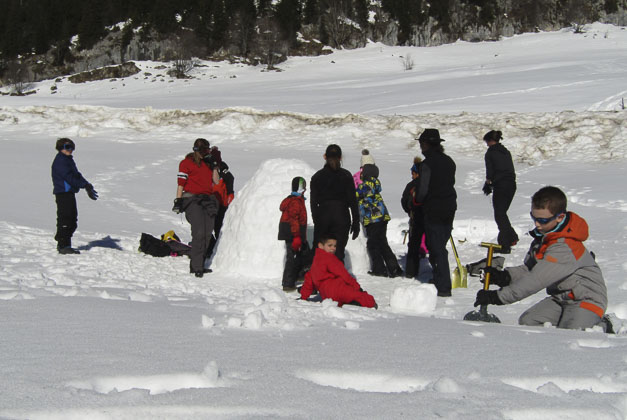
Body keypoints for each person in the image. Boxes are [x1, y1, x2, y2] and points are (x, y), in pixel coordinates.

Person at [474, 186, 608, 331]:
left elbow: (536, 279)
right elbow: (530, 269)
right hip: (561, 298)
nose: (537, 224)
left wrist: (498, 297)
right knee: (529, 321)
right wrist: (505, 276)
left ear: (560, 217)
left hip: (587, 300)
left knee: (571, 335)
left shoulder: (564, 247)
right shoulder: (544, 238)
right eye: (534, 218)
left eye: (543, 220)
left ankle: (604, 326)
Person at [172, 138, 226, 278]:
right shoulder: (186, 163)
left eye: (207, 150)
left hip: (208, 200)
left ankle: (200, 264)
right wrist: (178, 200)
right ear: (196, 150)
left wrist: (214, 166)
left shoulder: (208, 164)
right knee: (199, 232)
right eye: (202, 151)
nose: (204, 153)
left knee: (208, 233)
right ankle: (196, 266)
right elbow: (181, 184)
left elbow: (215, 181)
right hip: (191, 199)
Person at [414, 129, 457, 297]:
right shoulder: (449, 161)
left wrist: (417, 200)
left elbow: (423, 190)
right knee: (440, 243)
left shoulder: (427, 164)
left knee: (436, 247)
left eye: (421, 144)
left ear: (426, 144)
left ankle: (444, 285)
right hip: (449, 206)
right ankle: (440, 278)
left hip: (434, 208)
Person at [310, 144, 360, 263]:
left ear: (324, 157)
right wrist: (356, 221)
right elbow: (353, 201)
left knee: (320, 253)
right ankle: (337, 279)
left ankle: (321, 279)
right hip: (342, 217)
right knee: (338, 253)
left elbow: (313, 202)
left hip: (323, 215)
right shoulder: (346, 175)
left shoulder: (317, 177)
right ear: (341, 157)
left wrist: (316, 219)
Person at [300, 233, 377, 308]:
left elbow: (309, 280)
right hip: (337, 289)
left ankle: (348, 302)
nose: (333, 248)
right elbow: (344, 274)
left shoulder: (315, 262)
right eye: (330, 245)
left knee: (346, 297)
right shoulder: (330, 258)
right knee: (365, 298)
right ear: (320, 246)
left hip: (326, 295)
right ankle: (362, 303)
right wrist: (357, 287)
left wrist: (303, 296)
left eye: (335, 246)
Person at [51, 138, 98, 254]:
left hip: (69, 193)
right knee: (66, 219)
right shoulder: (60, 161)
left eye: (72, 147)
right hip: (63, 193)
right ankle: (63, 245)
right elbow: (69, 178)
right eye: (67, 147)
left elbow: (76, 175)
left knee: (72, 219)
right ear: (60, 148)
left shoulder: (68, 160)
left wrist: (87, 184)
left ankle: (64, 241)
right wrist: (83, 185)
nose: (70, 150)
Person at [357, 162, 403, 277]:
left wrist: (356, 193)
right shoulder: (375, 183)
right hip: (381, 217)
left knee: (373, 244)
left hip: (374, 218)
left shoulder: (367, 184)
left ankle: (379, 269)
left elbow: (364, 194)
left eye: (363, 172)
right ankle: (394, 268)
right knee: (382, 242)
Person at [482, 130, 518, 254]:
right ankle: (511, 237)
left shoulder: (490, 153)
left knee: (499, 214)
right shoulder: (505, 151)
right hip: (511, 185)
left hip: (501, 185)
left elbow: (490, 171)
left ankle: (505, 244)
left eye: (486, 142)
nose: (486, 144)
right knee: (502, 213)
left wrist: (488, 183)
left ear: (489, 141)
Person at [278, 176, 309, 292]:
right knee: (292, 258)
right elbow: (293, 220)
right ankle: (288, 283)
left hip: (296, 234)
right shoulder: (295, 202)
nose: (305, 189)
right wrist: (296, 236)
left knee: (304, 254)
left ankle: (299, 275)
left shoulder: (297, 200)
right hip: (293, 234)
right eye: (303, 187)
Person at [401, 156, 428, 278]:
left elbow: (404, 200)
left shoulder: (411, 185)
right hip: (429, 216)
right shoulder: (429, 183)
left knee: (413, 244)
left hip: (416, 216)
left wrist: (409, 210)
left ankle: (411, 271)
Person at [207, 146, 234, 258]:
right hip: (210, 204)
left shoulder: (224, 171)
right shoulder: (207, 169)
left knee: (219, 228)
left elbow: (230, 183)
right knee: (207, 228)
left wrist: (229, 200)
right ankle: (211, 248)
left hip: (222, 205)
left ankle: (219, 249)